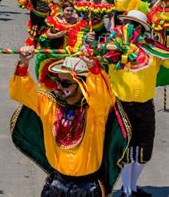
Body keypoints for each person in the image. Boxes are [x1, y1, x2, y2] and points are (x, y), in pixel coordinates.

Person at [10, 47, 130, 196]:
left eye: (66, 83)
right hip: (56, 185)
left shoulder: (96, 111)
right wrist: (23, 63)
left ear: (82, 85)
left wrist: (93, 67)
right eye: (57, 81)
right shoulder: (49, 104)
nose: (59, 87)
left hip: (87, 188)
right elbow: (20, 93)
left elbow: (102, 95)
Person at [108, 10, 169, 197]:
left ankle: (133, 187)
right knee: (125, 152)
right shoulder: (113, 49)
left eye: (133, 24)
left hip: (145, 106)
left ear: (142, 29)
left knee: (144, 150)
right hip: (121, 106)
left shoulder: (153, 50)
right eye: (126, 23)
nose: (128, 27)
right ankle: (127, 191)